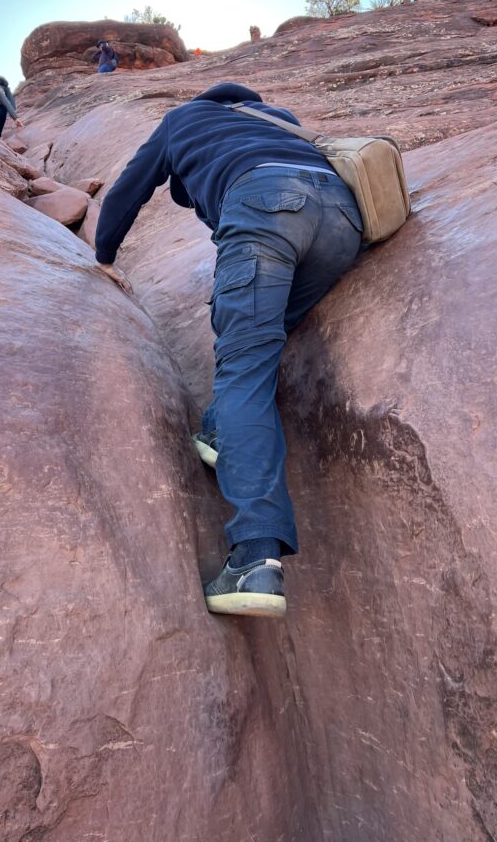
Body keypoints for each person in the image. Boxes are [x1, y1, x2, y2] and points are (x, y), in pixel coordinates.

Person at [94, 83, 364, 618]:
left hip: (265, 211)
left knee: (242, 367)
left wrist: (103, 255)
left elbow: (129, 190)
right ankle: (219, 432)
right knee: (266, 340)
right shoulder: (275, 116)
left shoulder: (181, 120)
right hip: (344, 220)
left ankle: (255, 558)